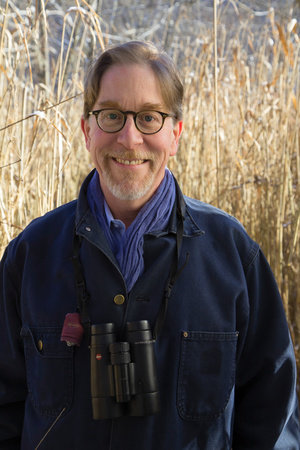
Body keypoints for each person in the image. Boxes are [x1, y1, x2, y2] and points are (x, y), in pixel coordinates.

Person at [0, 40, 299, 450]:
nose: (129, 137)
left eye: (148, 118)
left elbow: (274, 422)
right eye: (111, 115)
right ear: (87, 129)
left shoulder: (233, 255)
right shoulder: (30, 254)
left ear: (175, 133)